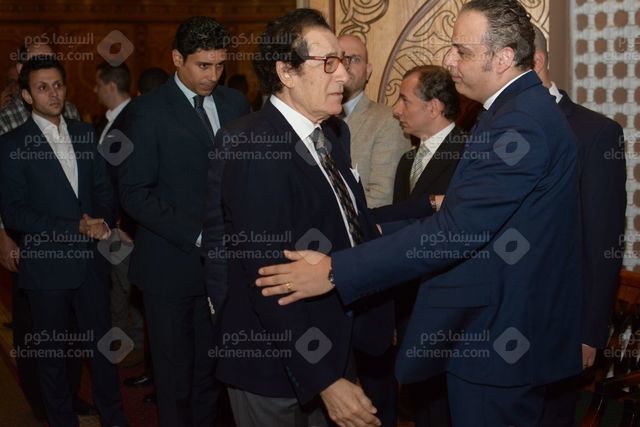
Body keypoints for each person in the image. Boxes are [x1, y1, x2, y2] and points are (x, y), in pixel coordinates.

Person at [256, 1, 583, 425]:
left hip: (502, 339)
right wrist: (373, 232)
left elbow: (456, 230)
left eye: (462, 51)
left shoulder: (520, 122)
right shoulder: (513, 112)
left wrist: (336, 270)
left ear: (503, 58)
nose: (449, 61)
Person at [204, 8, 394, 427]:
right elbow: (269, 280)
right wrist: (324, 380)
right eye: (328, 63)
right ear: (286, 72)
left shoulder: (330, 135)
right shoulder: (257, 146)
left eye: (342, 62)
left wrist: (427, 209)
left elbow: (353, 220)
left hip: (332, 342)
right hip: (273, 364)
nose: (343, 75)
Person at [117, 16, 249, 427]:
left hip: (225, 270)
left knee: (212, 376)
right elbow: (134, 193)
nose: (213, 75)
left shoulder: (235, 104)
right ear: (177, 59)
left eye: (220, 65)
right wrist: (198, 235)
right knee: (174, 382)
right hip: (169, 269)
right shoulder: (146, 112)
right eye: (203, 66)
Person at [0, 55, 125, 427]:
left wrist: (102, 221)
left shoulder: (85, 132)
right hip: (46, 267)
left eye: (57, 85)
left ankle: (115, 418)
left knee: (103, 352)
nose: (53, 94)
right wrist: (75, 227)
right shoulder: (11, 144)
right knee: (52, 358)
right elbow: (15, 213)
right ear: (26, 95)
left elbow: (104, 191)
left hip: (90, 264)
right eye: (42, 87)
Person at [531, 25, 627, 426]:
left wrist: (589, 332)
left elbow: (604, 241)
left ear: (535, 61)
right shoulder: (485, 130)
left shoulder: (594, 133)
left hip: (558, 326)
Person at [380, 64, 466, 427]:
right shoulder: (407, 161)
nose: (396, 109)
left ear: (433, 107)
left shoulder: (469, 154)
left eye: (404, 100)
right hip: (409, 304)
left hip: (448, 307)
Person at [338, 35, 410, 208]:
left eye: (355, 59)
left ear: (368, 70)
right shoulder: (315, 118)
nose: (346, 66)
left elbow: (382, 198)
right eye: (339, 59)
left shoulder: (389, 121)